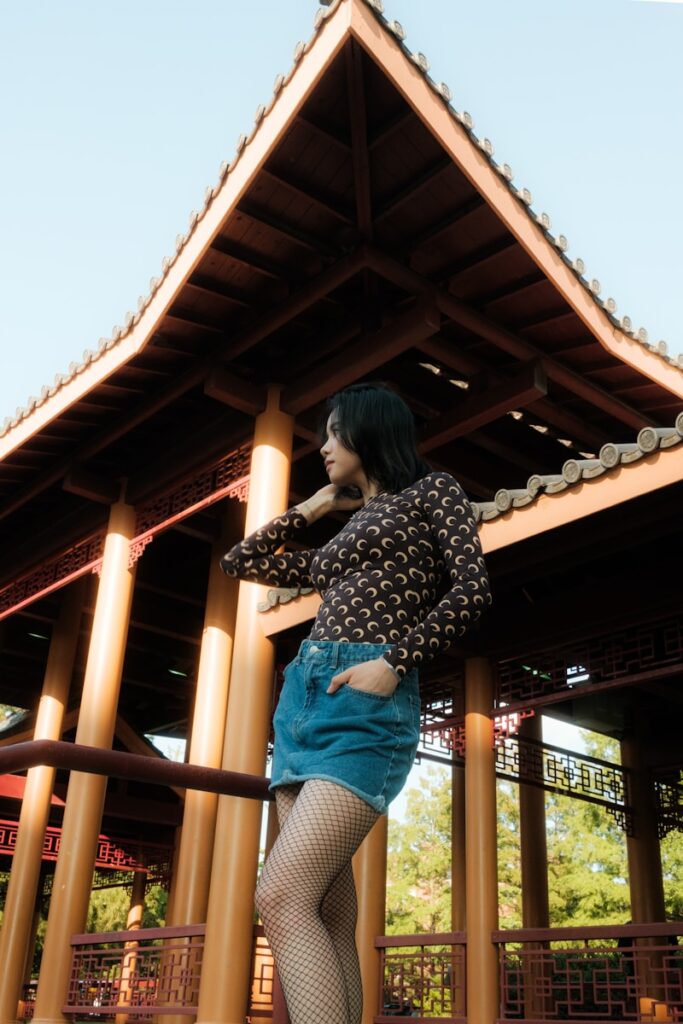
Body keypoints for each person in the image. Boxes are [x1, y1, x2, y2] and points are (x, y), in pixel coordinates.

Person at [220, 382, 491, 1024]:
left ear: (370, 432)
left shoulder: (433, 493)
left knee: (281, 895)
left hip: (365, 705)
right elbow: (242, 559)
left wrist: (395, 659)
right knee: (327, 913)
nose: (323, 446)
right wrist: (315, 506)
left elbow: (472, 590)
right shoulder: (344, 532)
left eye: (335, 433)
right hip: (302, 703)